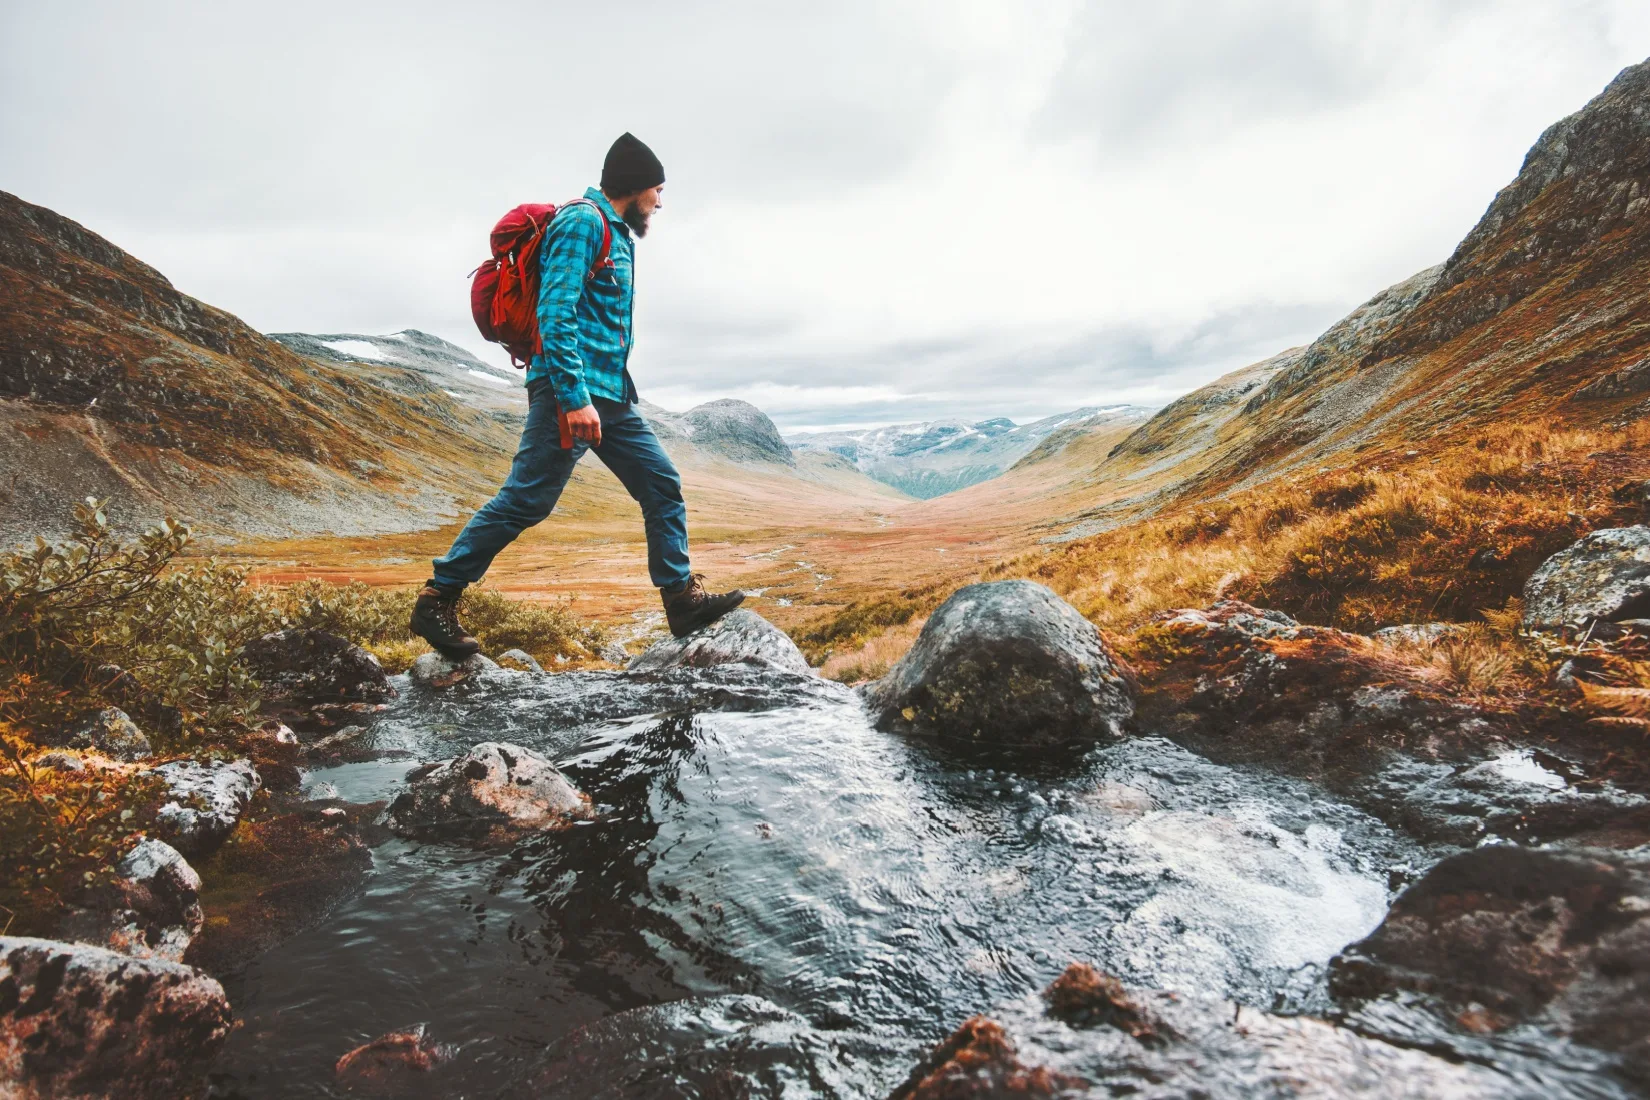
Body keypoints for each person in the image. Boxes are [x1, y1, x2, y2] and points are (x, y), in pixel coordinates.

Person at [411, 133, 744, 658]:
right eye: (658, 189)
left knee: (661, 484)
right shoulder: (582, 222)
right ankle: (438, 598)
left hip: (610, 394)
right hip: (571, 391)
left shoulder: (617, 233)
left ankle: (680, 601)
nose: (661, 200)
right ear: (635, 188)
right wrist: (573, 397)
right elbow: (554, 312)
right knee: (527, 499)